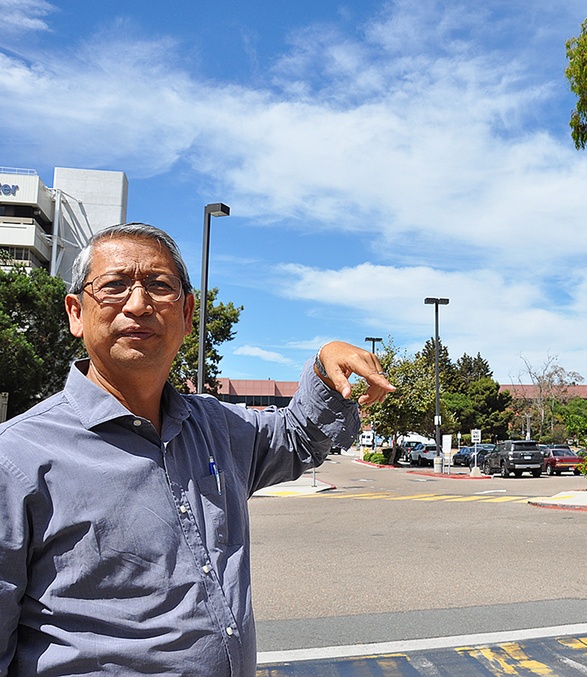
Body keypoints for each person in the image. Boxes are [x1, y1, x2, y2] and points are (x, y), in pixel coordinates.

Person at [0, 223, 394, 676]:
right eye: (113, 286)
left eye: (159, 286)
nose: (138, 304)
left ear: (187, 314)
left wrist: (327, 360)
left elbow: (296, 436)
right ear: (75, 312)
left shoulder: (217, 427)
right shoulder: (17, 459)